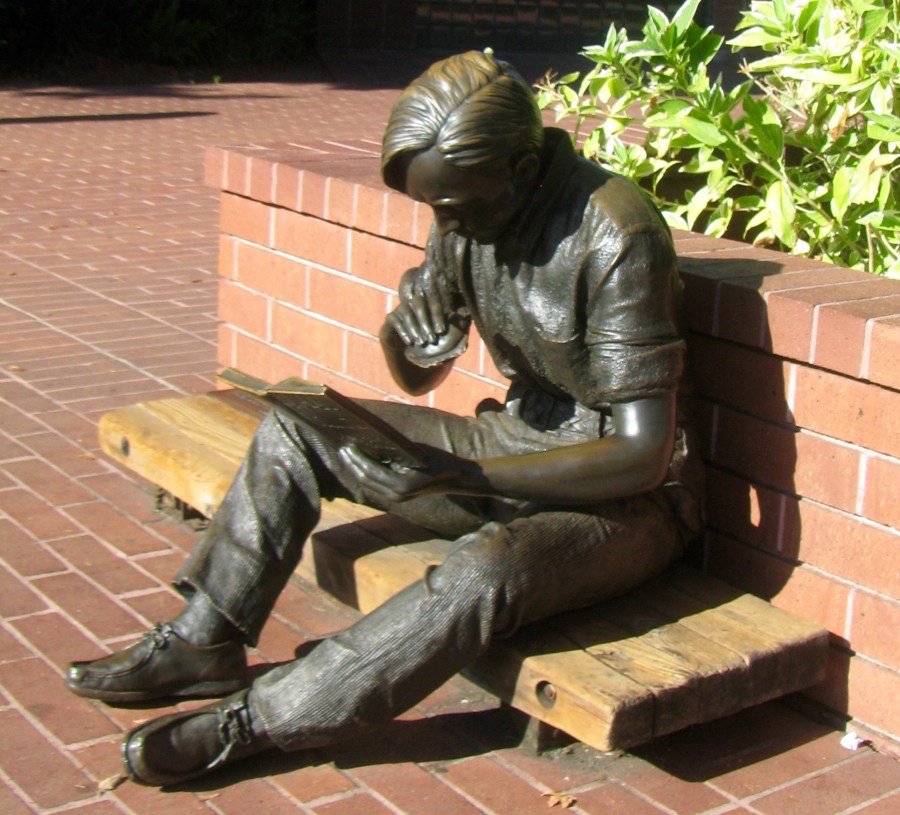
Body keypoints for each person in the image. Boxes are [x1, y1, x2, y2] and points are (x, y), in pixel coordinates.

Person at [66, 50, 702, 786]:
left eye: (457, 208)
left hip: (628, 500)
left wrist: (471, 475)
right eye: (436, 209)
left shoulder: (618, 233)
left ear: (524, 173)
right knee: (298, 429)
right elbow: (420, 369)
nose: (446, 223)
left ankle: (264, 718)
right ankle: (204, 637)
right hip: (511, 439)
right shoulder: (468, 203)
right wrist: (404, 335)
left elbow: (644, 453)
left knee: (485, 567)